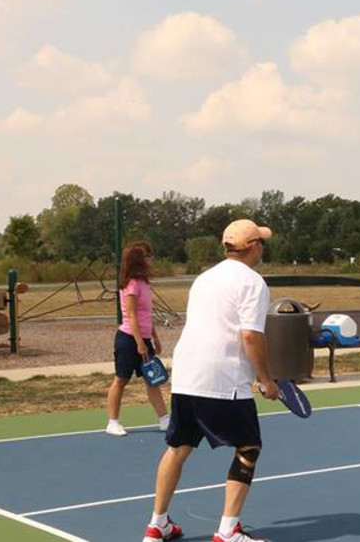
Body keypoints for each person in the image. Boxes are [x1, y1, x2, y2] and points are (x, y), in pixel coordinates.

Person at [142, 219, 279, 542]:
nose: (263, 247)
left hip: (187, 374)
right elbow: (250, 336)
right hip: (223, 378)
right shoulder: (253, 282)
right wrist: (265, 380)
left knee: (178, 446)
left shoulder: (204, 279)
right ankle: (228, 531)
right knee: (249, 446)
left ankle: (156, 525)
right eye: (261, 242)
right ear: (254, 247)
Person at [106, 241, 169, 437]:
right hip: (127, 340)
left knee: (153, 380)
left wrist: (154, 338)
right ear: (138, 261)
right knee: (121, 380)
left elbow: (146, 316)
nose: (152, 260)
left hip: (143, 339)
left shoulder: (144, 284)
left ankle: (165, 419)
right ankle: (113, 422)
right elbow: (131, 316)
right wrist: (140, 343)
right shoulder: (131, 285)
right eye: (148, 256)